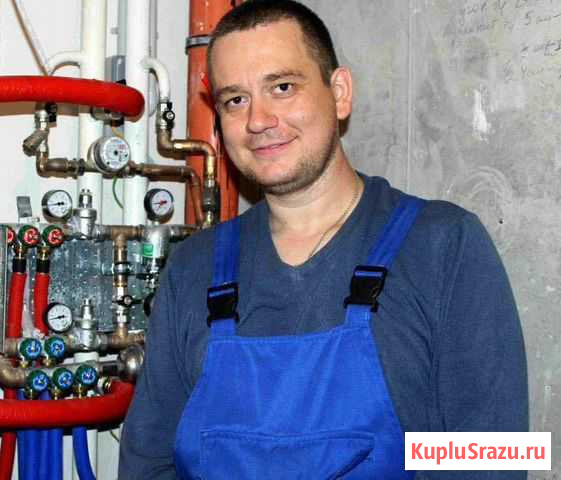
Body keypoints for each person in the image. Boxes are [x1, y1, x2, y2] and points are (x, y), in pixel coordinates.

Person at [119, 1, 528, 479]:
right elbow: (148, 462)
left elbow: (490, 455)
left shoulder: (444, 245)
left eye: (282, 87)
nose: (258, 120)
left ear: (339, 93)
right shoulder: (193, 267)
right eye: (235, 100)